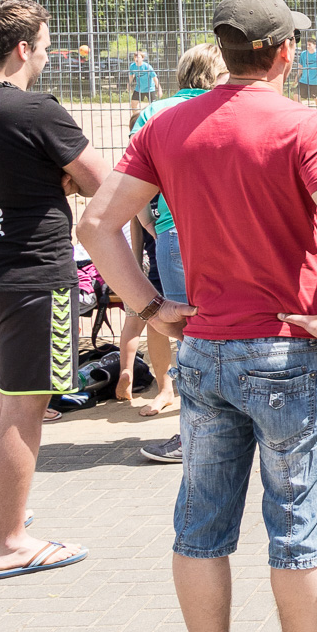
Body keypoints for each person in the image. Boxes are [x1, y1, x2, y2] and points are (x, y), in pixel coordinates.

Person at [78, 0, 317, 632]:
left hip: (205, 348)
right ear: (285, 53)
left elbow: (97, 222)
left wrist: (151, 306)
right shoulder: (306, 126)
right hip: (288, 348)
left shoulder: (165, 124)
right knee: (298, 524)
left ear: (223, 50)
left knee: (201, 525)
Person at [0, 0, 109, 578]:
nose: (45, 54)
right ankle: (8, 541)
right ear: (23, 49)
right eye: (43, 45)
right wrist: (56, 176)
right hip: (36, 273)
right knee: (27, 404)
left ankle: (3, 517)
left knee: (5, 399)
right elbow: (101, 185)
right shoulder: (36, 110)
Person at [129, 44, 229, 447]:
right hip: (230, 231)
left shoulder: (153, 112)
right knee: (230, 326)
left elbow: (131, 187)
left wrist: (155, 227)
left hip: (174, 231)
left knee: (187, 333)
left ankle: (197, 433)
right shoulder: (227, 105)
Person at [296, 39, 317, 107]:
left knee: (316, 98)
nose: (307, 46)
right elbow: (300, 66)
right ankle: (302, 110)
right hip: (304, 80)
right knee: (296, 95)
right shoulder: (303, 54)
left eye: (309, 44)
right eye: (307, 44)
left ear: (314, 45)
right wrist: (297, 77)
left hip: (315, 81)